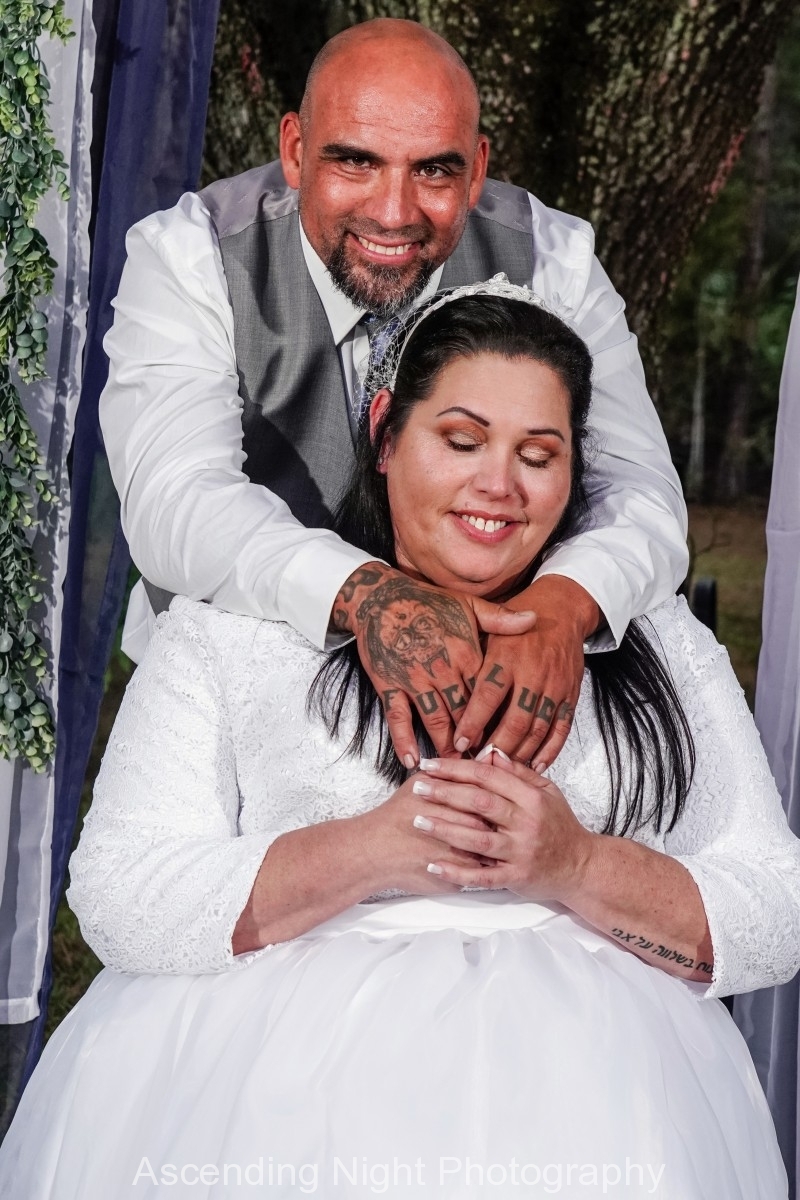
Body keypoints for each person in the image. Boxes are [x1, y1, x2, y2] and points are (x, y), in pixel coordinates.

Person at [1, 281, 797, 1199]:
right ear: (385, 435)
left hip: (603, 1123)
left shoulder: (652, 641)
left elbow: (775, 911)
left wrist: (574, 866)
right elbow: (121, 895)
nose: (499, 486)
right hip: (267, 1116)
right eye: (461, 441)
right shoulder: (240, 626)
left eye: (539, 454)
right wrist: (380, 847)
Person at [99, 17, 689, 773]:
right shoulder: (190, 255)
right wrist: (367, 595)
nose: (393, 212)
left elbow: (641, 492)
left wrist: (568, 603)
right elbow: (173, 500)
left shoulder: (556, 259)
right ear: (295, 150)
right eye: (356, 161)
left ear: (476, 170)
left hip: (492, 706)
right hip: (236, 701)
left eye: (435, 172)